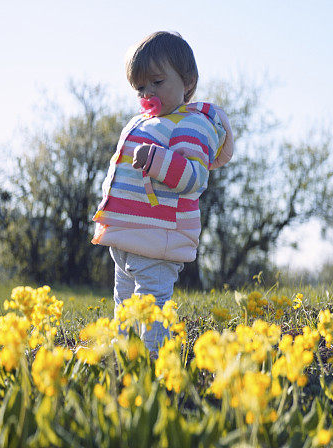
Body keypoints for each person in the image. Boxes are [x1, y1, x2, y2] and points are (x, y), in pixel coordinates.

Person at [91, 31, 234, 354]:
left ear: (187, 82)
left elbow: (195, 177)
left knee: (151, 303)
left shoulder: (190, 124)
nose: (147, 93)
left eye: (157, 82)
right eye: (140, 88)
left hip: (159, 235)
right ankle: (124, 356)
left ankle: (155, 361)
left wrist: (157, 161)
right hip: (127, 233)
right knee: (124, 300)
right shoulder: (144, 122)